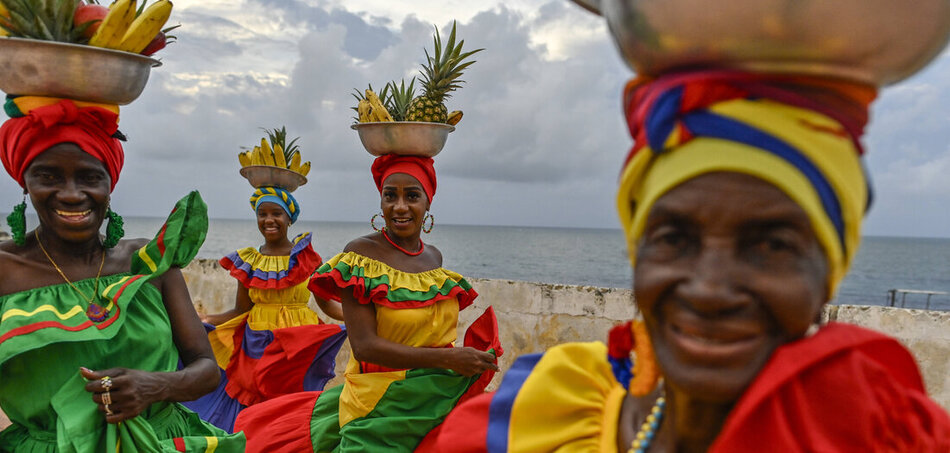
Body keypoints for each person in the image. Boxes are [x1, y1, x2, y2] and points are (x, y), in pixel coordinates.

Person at [429, 71, 950, 451]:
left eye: (771, 246)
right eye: (674, 237)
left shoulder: (880, 437)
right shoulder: (550, 410)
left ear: (827, 276)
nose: (709, 290)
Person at [0, 97, 244, 451]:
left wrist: (156, 386)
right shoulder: (5, 272)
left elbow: (206, 369)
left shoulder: (149, 263)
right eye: (48, 176)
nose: (71, 194)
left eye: (89, 177)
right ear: (25, 183)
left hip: (160, 441)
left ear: (109, 185)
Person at [233, 154, 502, 451]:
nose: (399, 207)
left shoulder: (434, 258)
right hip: (377, 407)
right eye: (390, 196)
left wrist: (468, 359)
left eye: (412, 195)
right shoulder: (361, 255)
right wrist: (451, 359)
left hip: (434, 396)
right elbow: (365, 346)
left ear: (428, 202)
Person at [184, 185, 347, 432]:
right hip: (257, 344)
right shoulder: (250, 261)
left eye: (276, 213)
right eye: (263, 214)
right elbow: (240, 310)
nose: (269, 220)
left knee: (292, 411)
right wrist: (205, 318)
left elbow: (328, 304)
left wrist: (364, 315)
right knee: (255, 407)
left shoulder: (306, 257)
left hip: (298, 347)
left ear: (289, 218)